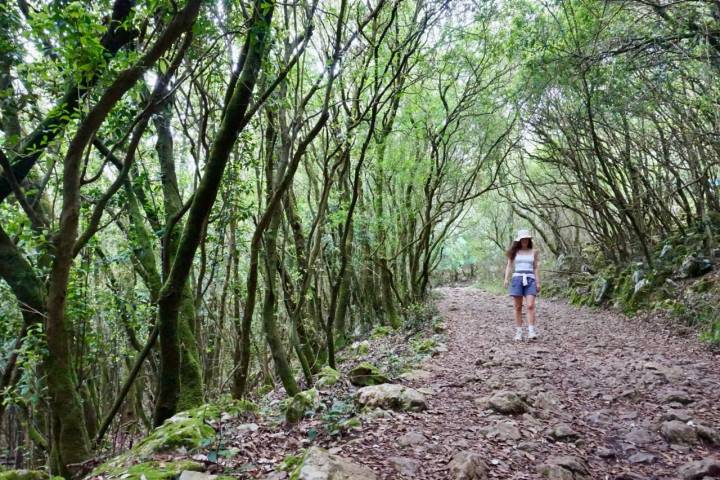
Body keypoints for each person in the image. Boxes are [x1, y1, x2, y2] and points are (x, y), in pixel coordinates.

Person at [503, 229, 541, 341]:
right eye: (523, 239)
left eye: (527, 239)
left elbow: (536, 267)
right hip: (517, 279)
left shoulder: (534, 252)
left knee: (530, 305)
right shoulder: (514, 252)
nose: (525, 240)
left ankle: (531, 331)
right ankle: (519, 332)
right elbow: (509, 266)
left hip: (530, 279)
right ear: (519, 240)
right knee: (518, 307)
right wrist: (506, 279)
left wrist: (538, 282)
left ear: (529, 240)